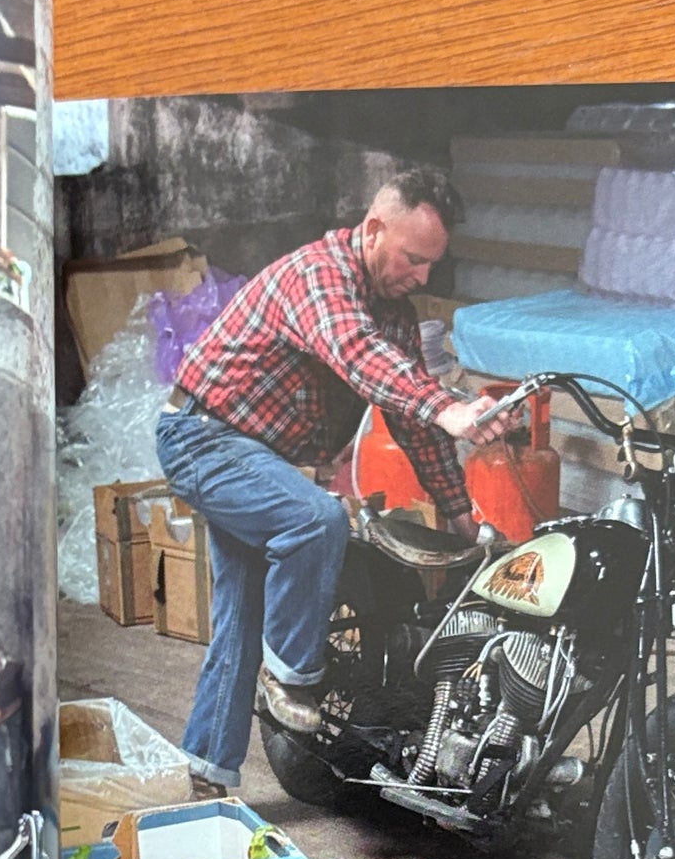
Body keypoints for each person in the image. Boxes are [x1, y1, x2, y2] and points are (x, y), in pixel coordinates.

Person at [155, 167, 508, 792]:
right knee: (315, 519)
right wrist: (448, 408)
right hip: (201, 437)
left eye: (432, 264)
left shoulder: (395, 314)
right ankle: (290, 675)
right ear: (373, 230)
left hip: (255, 456)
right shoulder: (318, 276)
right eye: (412, 258)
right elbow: (357, 353)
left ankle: (207, 771)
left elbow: (412, 421)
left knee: (242, 610)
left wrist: (464, 519)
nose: (422, 277)